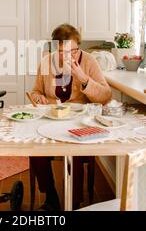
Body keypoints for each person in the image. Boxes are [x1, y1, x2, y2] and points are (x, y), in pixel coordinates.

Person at [30, 24, 112, 211]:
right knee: (34, 146)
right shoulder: (46, 62)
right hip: (51, 117)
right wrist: (38, 98)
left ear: (78, 47)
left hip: (78, 121)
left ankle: (74, 203)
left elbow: (106, 96)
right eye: (62, 52)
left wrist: (83, 78)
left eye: (73, 51)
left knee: (74, 150)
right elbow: (35, 92)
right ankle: (51, 197)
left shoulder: (89, 61)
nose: (69, 56)